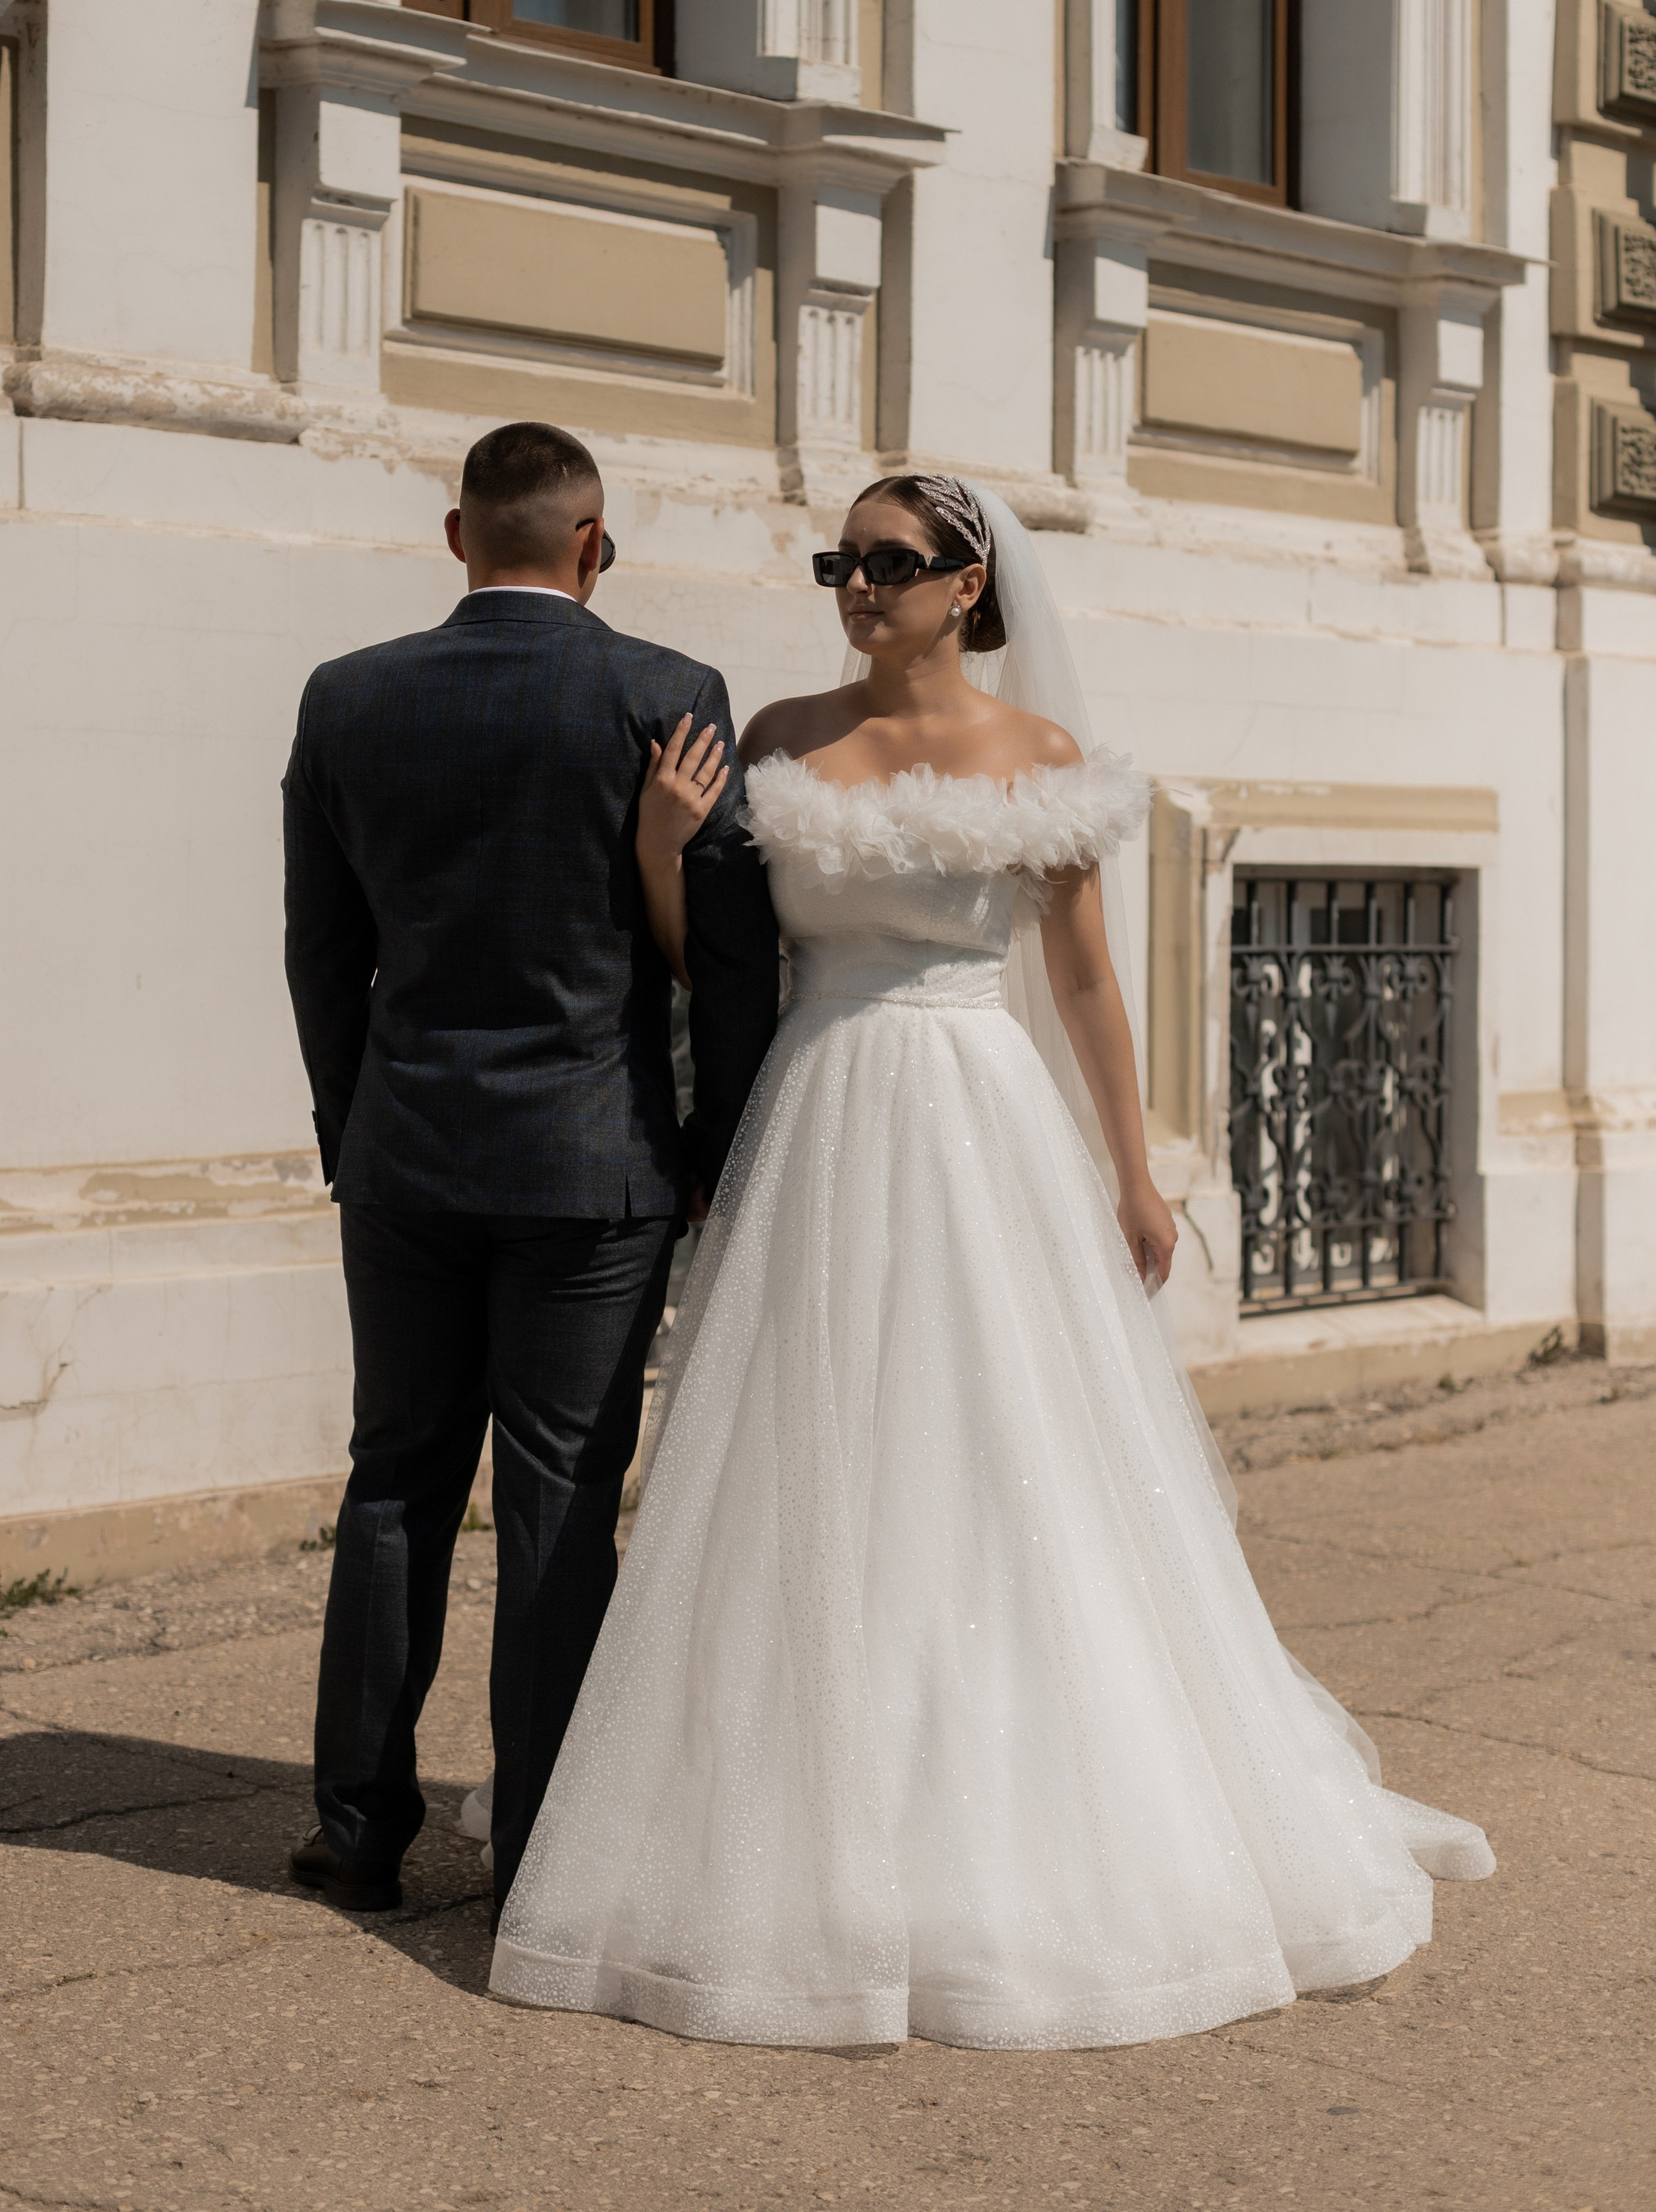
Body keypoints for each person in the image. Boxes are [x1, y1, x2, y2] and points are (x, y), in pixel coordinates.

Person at [491, 472, 1494, 2049]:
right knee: (811, 1455)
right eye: (838, 561)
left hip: (977, 1117)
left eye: (887, 562)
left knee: (998, 1444)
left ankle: (1010, 1796)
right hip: (817, 1113)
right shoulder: (777, 736)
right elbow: (721, 971)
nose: (855, 586)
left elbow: (1084, 982)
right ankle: (781, 1799)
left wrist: (1135, 1169)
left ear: (966, 584)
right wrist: (664, 854)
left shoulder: (1038, 753)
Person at [280, 420, 779, 1917]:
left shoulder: (348, 695)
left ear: (456, 536)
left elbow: (321, 954)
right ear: (593, 542)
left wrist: (353, 1133)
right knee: (559, 1496)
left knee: (394, 1481)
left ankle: (358, 1830)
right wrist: (716, 1153)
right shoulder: (664, 694)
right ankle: (540, 1853)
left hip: (406, 1155)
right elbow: (732, 962)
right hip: (592, 1160)